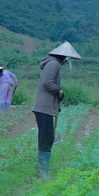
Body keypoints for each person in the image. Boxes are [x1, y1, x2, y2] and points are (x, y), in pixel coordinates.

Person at [32, 42, 82, 178]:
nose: (67, 60)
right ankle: (42, 172)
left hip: (45, 106)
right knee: (46, 139)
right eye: (67, 58)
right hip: (44, 107)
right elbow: (47, 83)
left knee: (46, 138)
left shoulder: (50, 63)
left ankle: (42, 170)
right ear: (62, 56)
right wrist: (59, 90)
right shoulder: (54, 64)